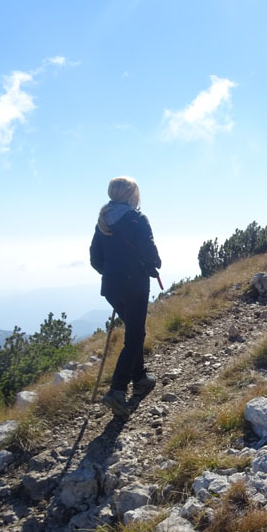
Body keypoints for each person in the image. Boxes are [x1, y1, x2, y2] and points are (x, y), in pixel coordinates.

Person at [89, 176, 161, 418]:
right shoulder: (137, 218)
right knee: (135, 335)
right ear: (131, 195)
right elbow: (150, 252)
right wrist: (153, 264)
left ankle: (139, 378)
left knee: (133, 330)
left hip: (111, 287)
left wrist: (113, 273)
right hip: (135, 285)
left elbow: (95, 260)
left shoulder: (103, 221)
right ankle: (117, 390)